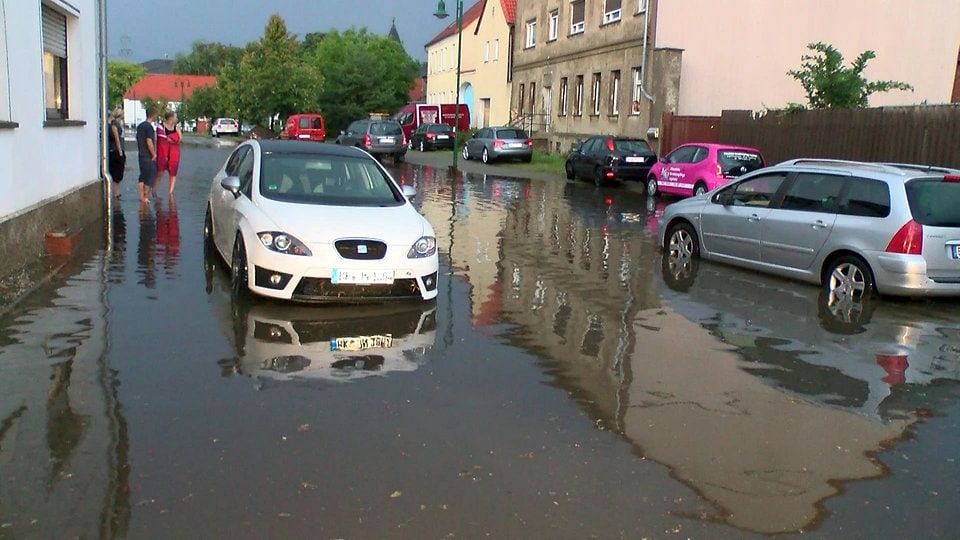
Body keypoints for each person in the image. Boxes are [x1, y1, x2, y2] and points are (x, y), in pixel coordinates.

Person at [136, 105, 159, 203]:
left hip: (141, 153)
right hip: (148, 155)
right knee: (150, 175)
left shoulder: (140, 126)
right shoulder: (149, 127)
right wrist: (153, 154)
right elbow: (149, 141)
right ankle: (145, 196)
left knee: (142, 175)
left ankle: (141, 197)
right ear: (154, 115)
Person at [156, 110, 182, 195]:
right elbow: (164, 139)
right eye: (175, 117)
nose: (177, 119)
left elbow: (180, 139)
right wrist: (174, 138)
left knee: (173, 173)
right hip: (163, 154)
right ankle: (154, 191)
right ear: (171, 118)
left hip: (174, 154)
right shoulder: (161, 126)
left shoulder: (176, 127)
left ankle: (170, 193)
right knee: (160, 172)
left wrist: (172, 139)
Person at [107, 108, 126, 198]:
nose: (124, 114)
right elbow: (117, 139)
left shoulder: (117, 124)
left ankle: (116, 191)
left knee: (119, 173)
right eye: (122, 113)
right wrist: (120, 152)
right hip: (115, 151)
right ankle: (115, 192)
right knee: (116, 173)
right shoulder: (114, 124)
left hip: (118, 150)